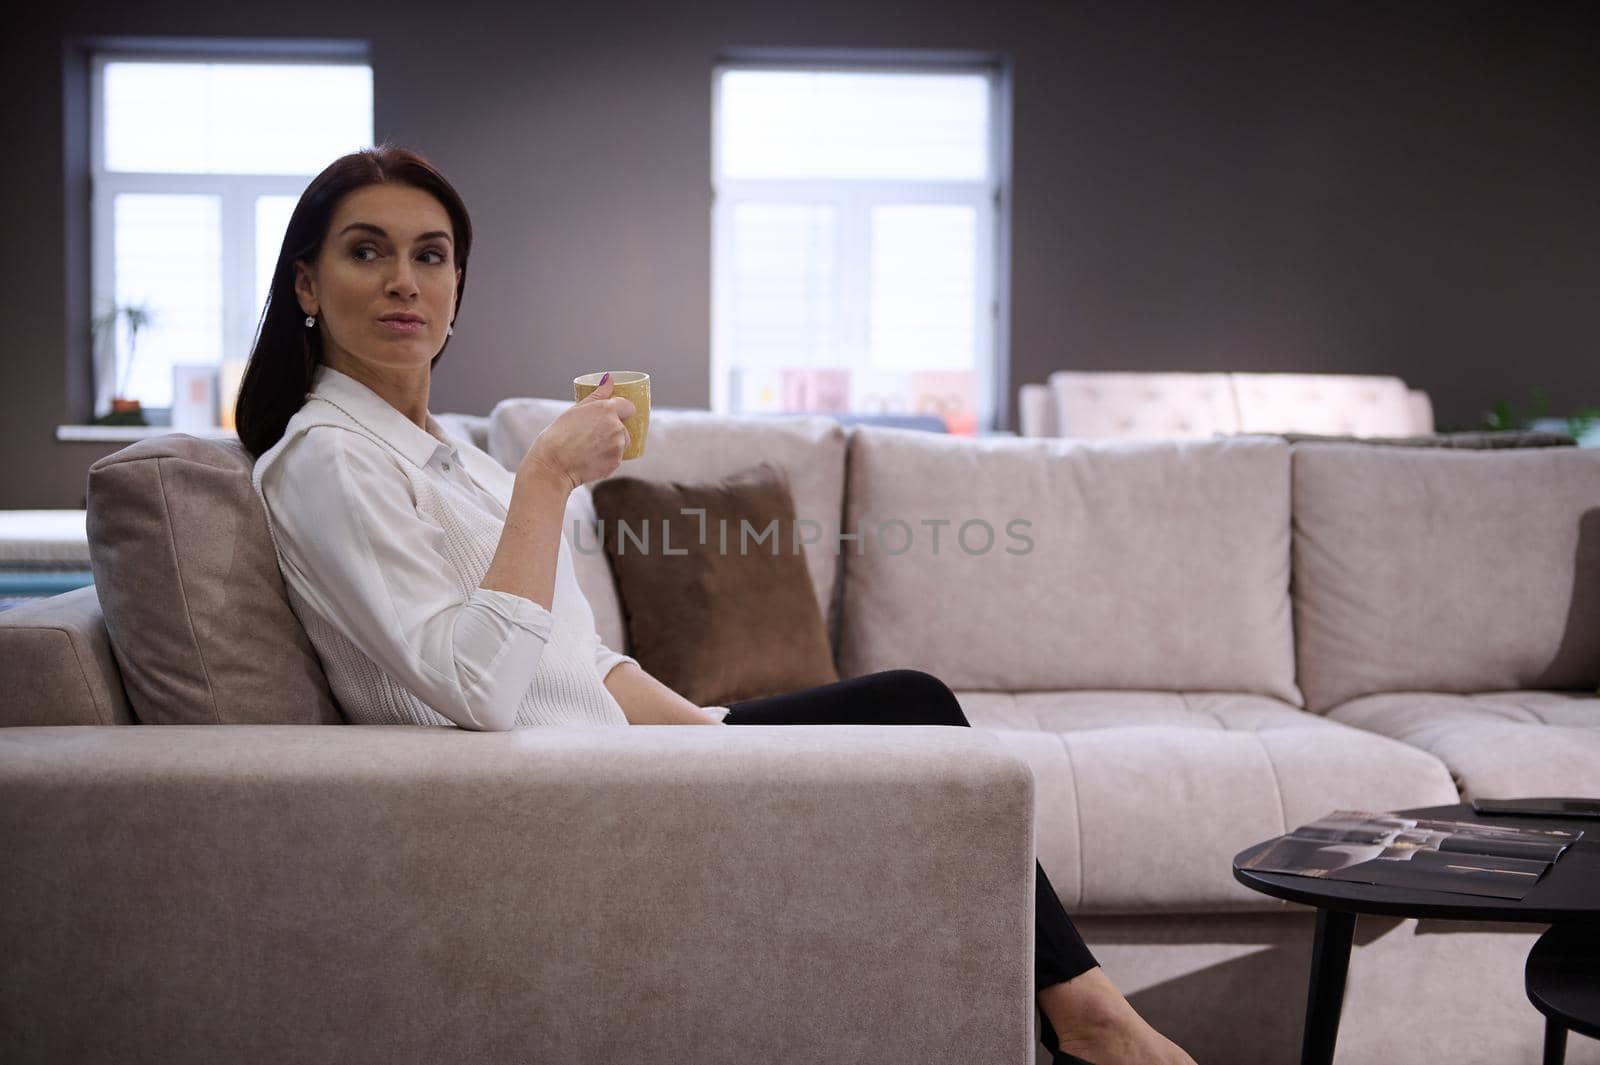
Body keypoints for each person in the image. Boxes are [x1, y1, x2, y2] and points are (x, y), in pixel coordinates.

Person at [237, 145, 1197, 1065]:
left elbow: (587, 664)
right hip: (546, 802)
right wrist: (546, 483)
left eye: (430, 256)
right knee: (918, 724)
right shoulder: (327, 459)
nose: (404, 280)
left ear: (455, 294)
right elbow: (479, 691)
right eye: (368, 251)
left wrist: (717, 735)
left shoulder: (449, 457)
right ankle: (1099, 1030)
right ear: (309, 286)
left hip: (622, 757)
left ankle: (1089, 1021)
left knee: (913, 706)